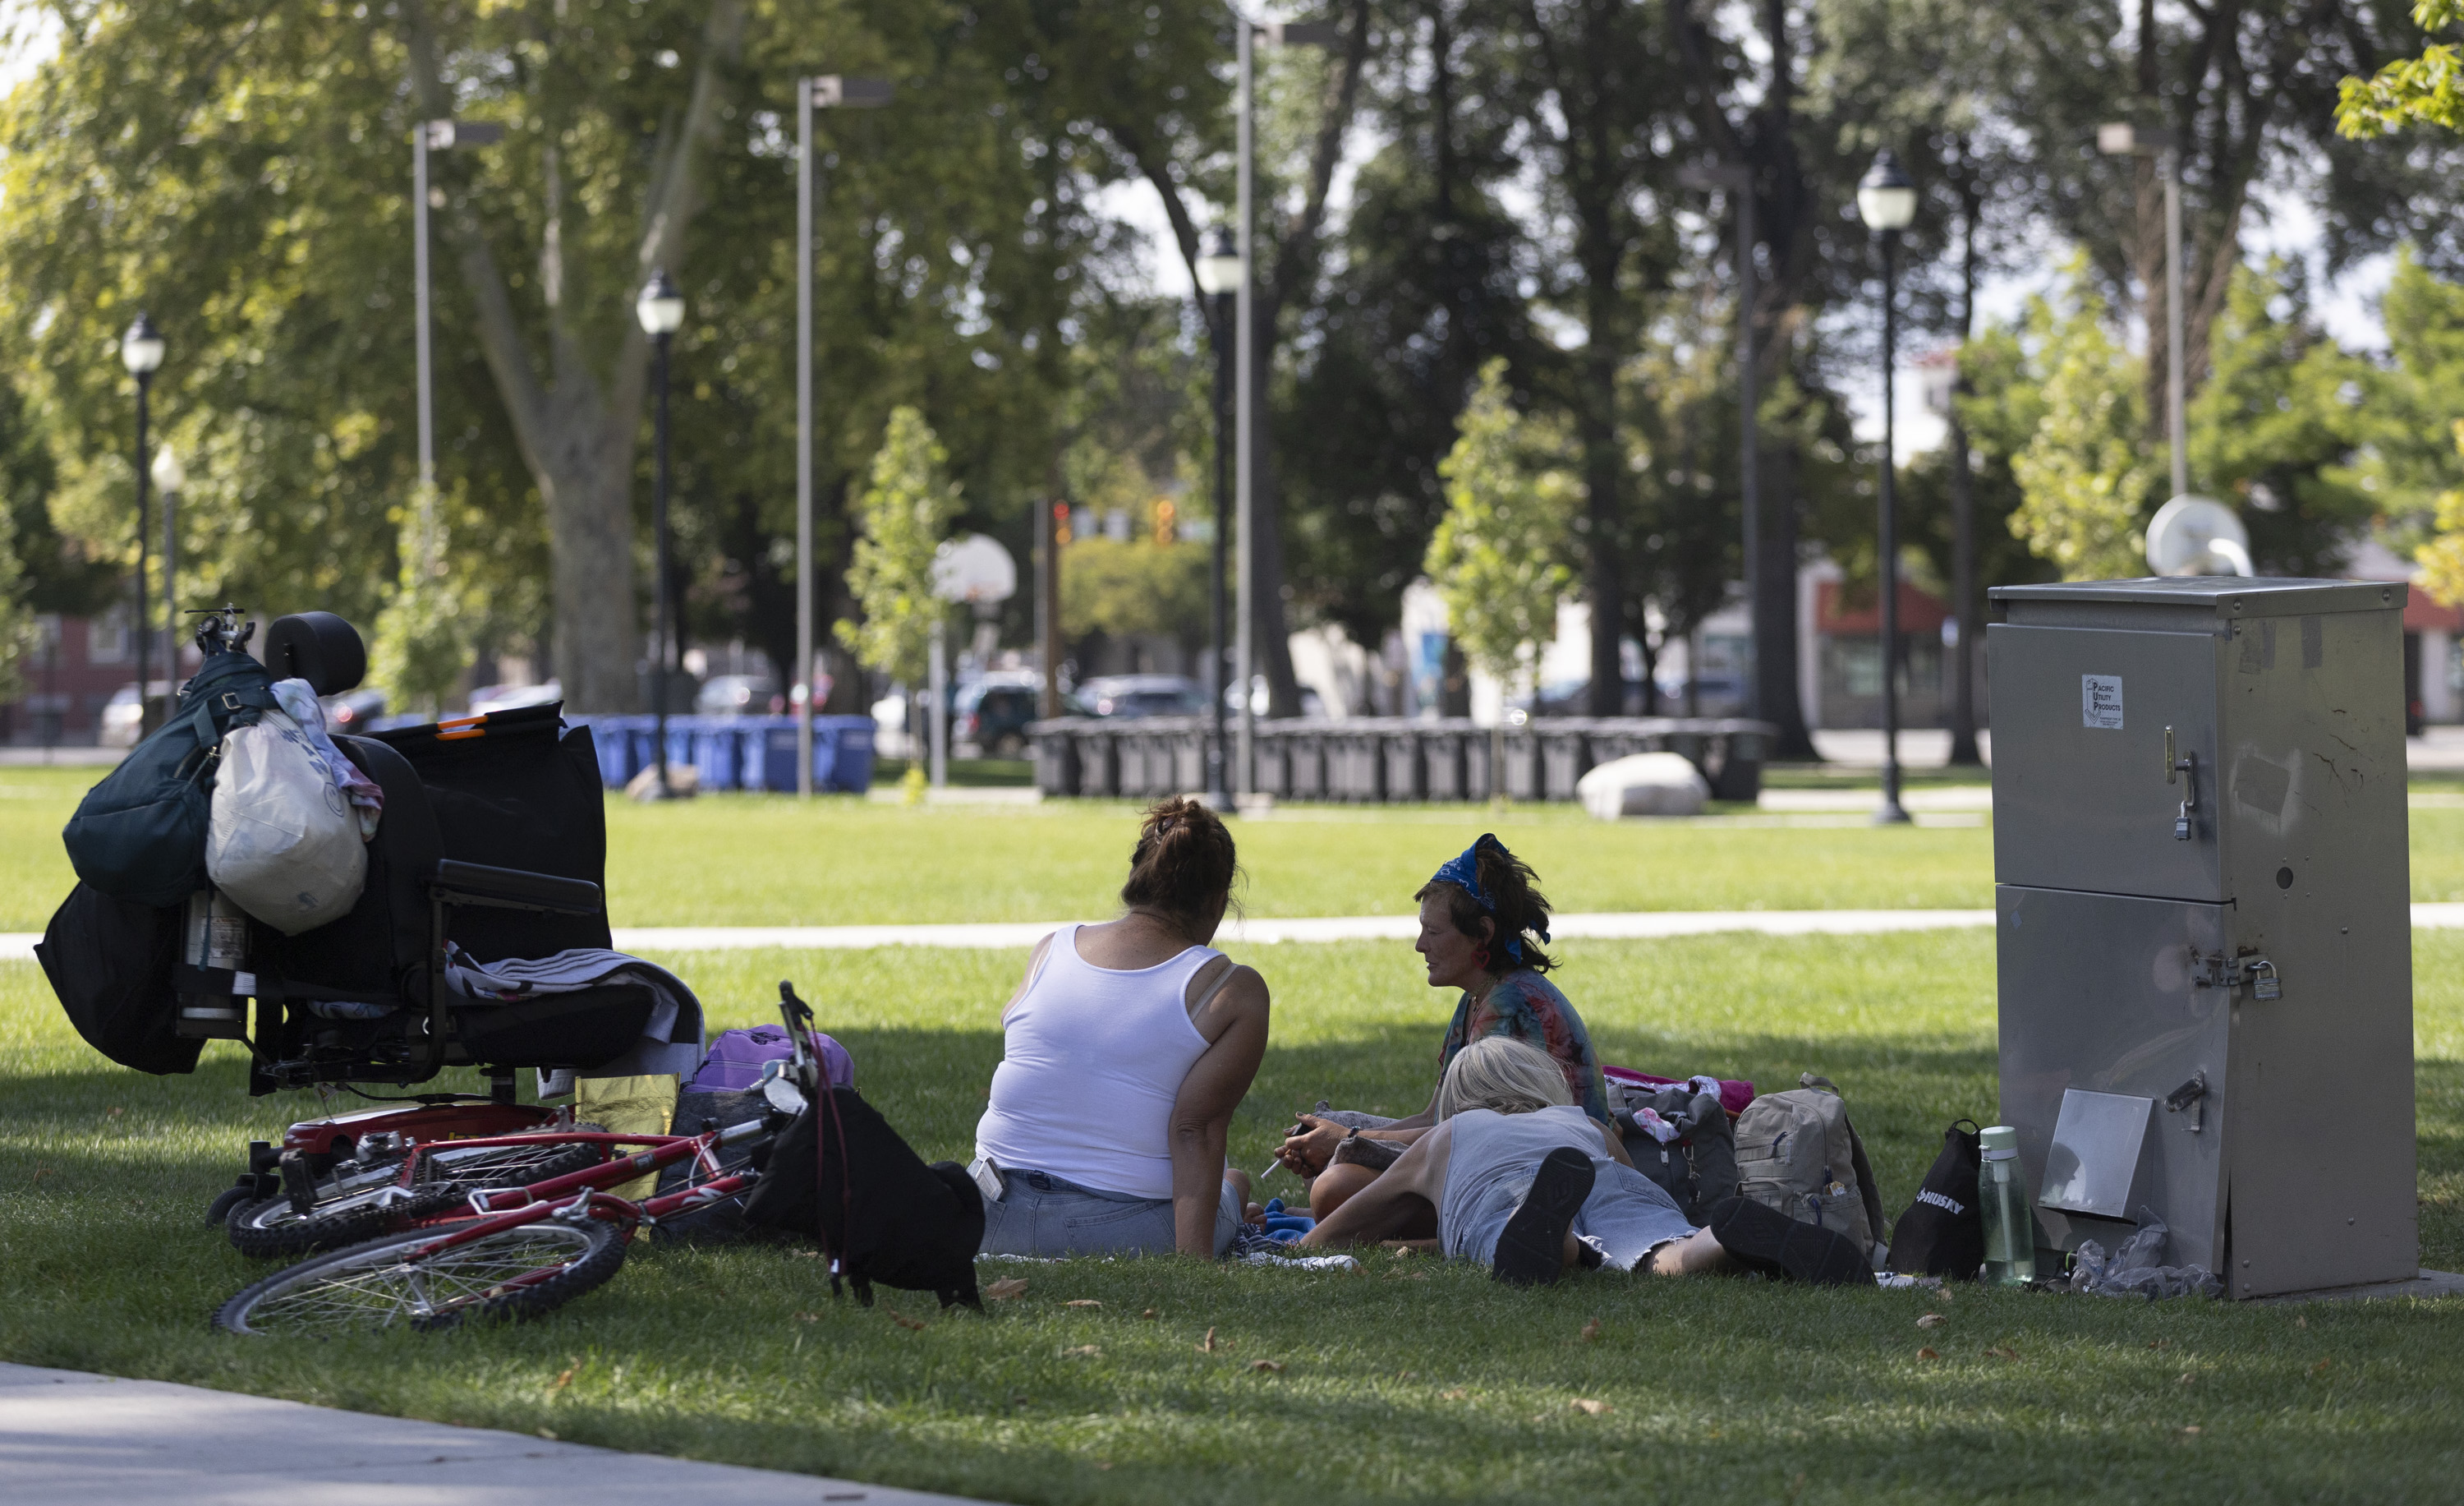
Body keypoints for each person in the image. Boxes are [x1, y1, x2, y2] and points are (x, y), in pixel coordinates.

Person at [1298, 1037, 1870, 1287]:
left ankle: (1561, 1242)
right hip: (1604, 1171)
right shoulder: (1583, 1122)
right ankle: (1718, 1241)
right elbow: (1640, 1187)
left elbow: (1338, 1230)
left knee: (1504, 1225)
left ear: (1457, 1100)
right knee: (1658, 1250)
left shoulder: (1449, 1134)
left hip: (1506, 1187)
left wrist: (1291, 1246)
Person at [972, 796, 1269, 1258]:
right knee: (1235, 1180)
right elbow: (1197, 1130)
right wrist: (1197, 1262)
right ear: (1217, 901)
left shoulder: (1051, 948)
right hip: (1103, 1232)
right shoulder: (1234, 990)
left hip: (985, 1213)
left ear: (1138, 878)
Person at [1275, 833, 1604, 1223]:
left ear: (1482, 934)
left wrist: (1348, 1143)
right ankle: (1346, 1214)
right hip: (1477, 1154)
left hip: (1535, 1178)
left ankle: (1358, 1220)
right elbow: (1435, 1119)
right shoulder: (1478, 996)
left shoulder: (1512, 1008)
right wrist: (1341, 1136)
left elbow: (1469, 1140)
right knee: (1338, 1130)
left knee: (1335, 1186)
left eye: (1433, 933)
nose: (1419, 945)